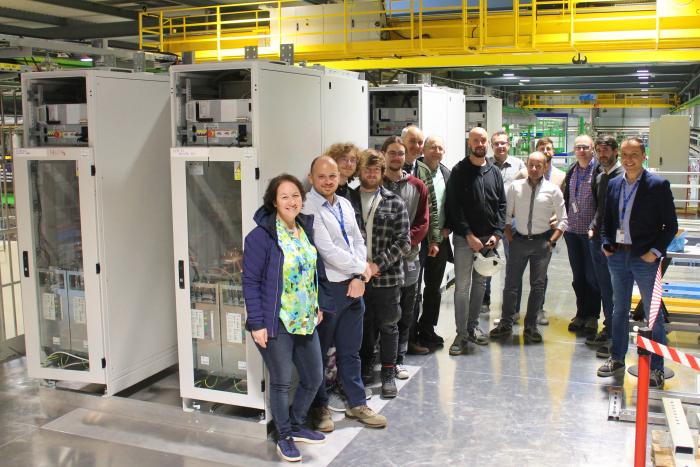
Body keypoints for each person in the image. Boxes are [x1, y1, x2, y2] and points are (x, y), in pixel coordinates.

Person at [242, 174, 329, 462]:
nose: (292, 201)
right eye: (285, 196)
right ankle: (284, 436)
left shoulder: (304, 228)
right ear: (274, 202)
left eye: (295, 195)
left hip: (304, 319)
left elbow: (310, 272)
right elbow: (250, 282)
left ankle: (296, 423)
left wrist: (316, 304)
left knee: (314, 376)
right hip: (275, 321)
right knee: (280, 382)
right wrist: (256, 323)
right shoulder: (260, 237)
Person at [303, 156, 388, 433]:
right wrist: (362, 270)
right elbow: (326, 250)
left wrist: (360, 276)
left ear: (339, 176)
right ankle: (320, 408)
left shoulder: (344, 204)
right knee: (319, 352)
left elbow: (358, 240)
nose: (328, 181)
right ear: (311, 177)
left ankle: (356, 403)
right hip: (328, 289)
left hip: (354, 286)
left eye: (332, 176)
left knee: (350, 352)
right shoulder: (307, 207)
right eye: (322, 177)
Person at [597, 137, 678, 389]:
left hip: (645, 258)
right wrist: (605, 243)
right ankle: (617, 357)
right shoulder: (612, 185)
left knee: (652, 315)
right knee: (618, 310)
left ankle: (656, 369)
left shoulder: (658, 185)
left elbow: (670, 226)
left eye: (634, 154)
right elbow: (606, 221)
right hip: (618, 256)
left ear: (644, 156)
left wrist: (655, 251)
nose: (629, 159)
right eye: (624, 154)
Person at [489, 152, 567, 342]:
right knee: (511, 285)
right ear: (526, 165)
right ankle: (506, 323)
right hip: (518, 241)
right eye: (531, 165)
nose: (534, 169)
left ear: (545, 167)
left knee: (537, 286)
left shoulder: (553, 190)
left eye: (538, 166)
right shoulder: (516, 187)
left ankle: (531, 327)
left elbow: (563, 219)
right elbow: (506, 215)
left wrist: (551, 242)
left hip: (542, 244)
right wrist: (509, 236)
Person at [353, 149, 411, 398]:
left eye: (377, 169)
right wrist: (361, 268)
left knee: (389, 325)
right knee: (363, 325)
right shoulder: (347, 200)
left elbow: (404, 242)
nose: (372, 173)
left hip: (386, 277)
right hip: (355, 277)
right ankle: (366, 366)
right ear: (360, 171)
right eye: (368, 169)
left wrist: (376, 265)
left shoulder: (394, 201)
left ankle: (388, 373)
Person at [445, 127, 506, 355]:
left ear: (487, 143)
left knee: (480, 285)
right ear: (469, 143)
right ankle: (461, 334)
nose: (480, 143)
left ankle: (472, 327)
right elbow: (454, 207)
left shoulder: (494, 171)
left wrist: (497, 233)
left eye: (483, 140)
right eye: (475, 140)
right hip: (464, 239)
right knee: (462, 288)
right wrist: (468, 235)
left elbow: (501, 204)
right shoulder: (459, 171)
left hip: (488, 240)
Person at [381, 136, 429, 379]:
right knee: (382, 309)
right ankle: (380, 357)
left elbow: (422, 222)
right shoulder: (374, 183)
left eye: (400, 153)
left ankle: (398, 358)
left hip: (408, 257)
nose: (397, 157)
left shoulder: (417, 186)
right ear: (383, 155)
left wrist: (403, 243)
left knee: (406, 307)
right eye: (392, 153)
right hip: (380, 261)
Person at [401, 125, 442, 355]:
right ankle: (396, 342)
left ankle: (411, 338)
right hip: (397, 243)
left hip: (421, 241)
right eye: (412, 142)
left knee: (415, 292)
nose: (416, 146)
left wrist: (434, 240)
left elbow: (432, 208)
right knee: (401, 294)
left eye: (419, 142)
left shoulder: (423, 170)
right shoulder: (393, 168)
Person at [586, 135, 624, 358]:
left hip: (617, 245)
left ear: (615, 151)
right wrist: (593, 227)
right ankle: (609, 329)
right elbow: (600, 209)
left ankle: (615, 339)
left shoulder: (623, 177)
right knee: (604, 290)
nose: (602, 154)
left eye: (606, 150)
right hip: (598, 240)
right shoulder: (601, 176)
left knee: (616, 293)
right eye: (599, 150)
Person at [562, 135, 601, 336]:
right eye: (578, 147)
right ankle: (581, 313)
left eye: (585, 147)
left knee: (592, 277)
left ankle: (593, 317)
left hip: (591, 234)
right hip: (572, 232)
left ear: (592, 149)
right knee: (578, 278)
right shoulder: (572, 171)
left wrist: (596, 227)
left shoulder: (599, 171)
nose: (582, 151)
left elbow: (604, 204)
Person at [484, 130, 525, 316]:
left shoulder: (519, 165)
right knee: (485, 260)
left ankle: (513, 306)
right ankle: (484, 301)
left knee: (514, 264)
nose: (500, 146)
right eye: (496, 143)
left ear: (509, 145)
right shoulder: (484, 164)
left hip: (512, 221)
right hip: (488, 221)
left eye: (504, 143)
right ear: (491, 146)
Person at [415, 135, 452, 348]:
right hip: (418, 240)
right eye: (432, 147)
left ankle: (428, 328)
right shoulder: (414, 171)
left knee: (433, 287)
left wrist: (450, 227)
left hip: (440, 240)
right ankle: (410, 333)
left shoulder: (446, 173)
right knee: (412, 288)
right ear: (424, 150)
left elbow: (452, 204)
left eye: (440, 147)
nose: (436, 151)